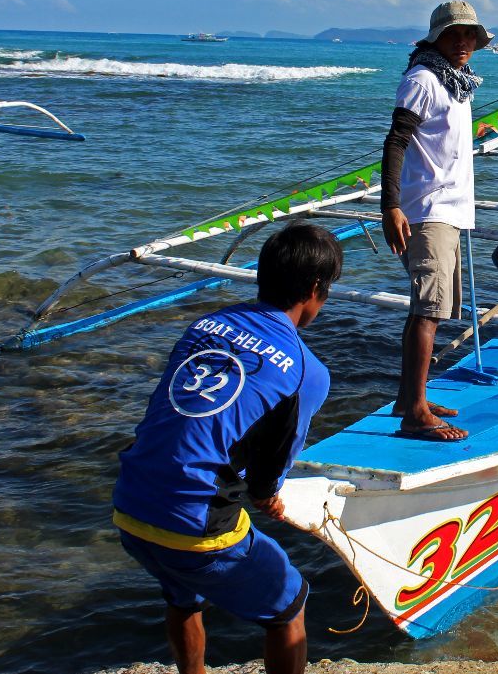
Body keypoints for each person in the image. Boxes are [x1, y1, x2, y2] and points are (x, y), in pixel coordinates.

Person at [112, 222, 344, 674]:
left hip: (130, 499)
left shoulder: (208, 322)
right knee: (288, 604)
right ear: (316, 289)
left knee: (184, 596)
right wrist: (266, 496)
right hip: (194, 524)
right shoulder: (306, 372)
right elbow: (271, 467)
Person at [380, 0, 492, 442]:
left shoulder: (456, 84)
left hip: (448, 211)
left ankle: (410, 399)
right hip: (428, 210)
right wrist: (390, 206)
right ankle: (416, 415)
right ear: (436, 39)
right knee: (426, 312)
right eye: (454, 35)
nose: (463, 42)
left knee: (435, 310)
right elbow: (396, 142)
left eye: (469, 36)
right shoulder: (423, 79)